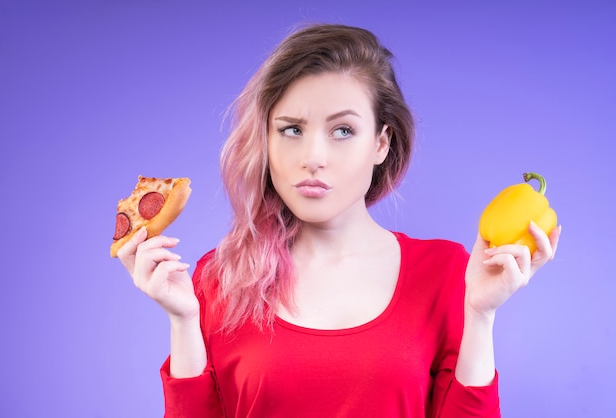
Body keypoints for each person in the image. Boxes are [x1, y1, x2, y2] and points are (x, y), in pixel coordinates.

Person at [117, 24, 561, 418]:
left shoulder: (446, 272)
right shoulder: (219, 277)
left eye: (343, 130)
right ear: (266, 141)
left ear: (381, 143)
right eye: (291, 129)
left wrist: (480, 316)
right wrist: (182, 322)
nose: (313, 158)